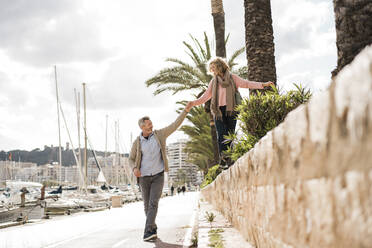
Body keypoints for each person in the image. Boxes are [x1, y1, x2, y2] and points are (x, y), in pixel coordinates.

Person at [188, 57, 274, 169]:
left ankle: (229, 158)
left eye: (213, 68)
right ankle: (224, 158)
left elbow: (247, 84)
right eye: (211, 69)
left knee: (230, 134)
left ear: (220, 66)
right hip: (218, 111)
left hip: (231, 110)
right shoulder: (213, 82)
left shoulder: (233, 78)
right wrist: (193, 103)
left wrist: (263, 85)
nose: (212, 70)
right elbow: (205, 96)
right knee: (221, 134)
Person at [129, 103, 192, 242]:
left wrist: (185, 111)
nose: (151, 126)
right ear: (142, 127)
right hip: (144, 178)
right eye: (148, 124)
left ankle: (146, 232)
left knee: (153, 204)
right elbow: (131, 158)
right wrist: (134, 168)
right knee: (146, 207)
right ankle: (152, 228)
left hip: (158, 175)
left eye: (151, 123)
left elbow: (175, 125)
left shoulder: (160, 134)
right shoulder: (137, 142)